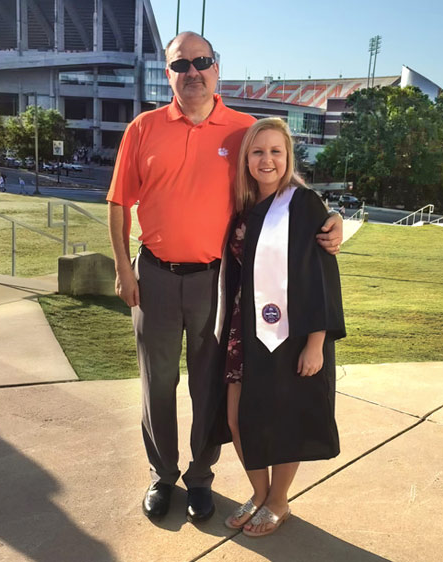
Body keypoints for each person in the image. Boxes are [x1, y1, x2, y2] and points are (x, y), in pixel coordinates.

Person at [106, 31, 344, 524]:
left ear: (217, 67)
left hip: (216, 281)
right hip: (152, 273)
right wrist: (122, 266)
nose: (192, 72)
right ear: (167, 72)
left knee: (209, 386)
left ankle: (200, 478)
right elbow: (117, 202)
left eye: (202, 62)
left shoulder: (241, 129)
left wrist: (330, 214)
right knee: (158, 383)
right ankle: (163, 474)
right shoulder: (143, 128)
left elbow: (278, 173)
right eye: (180, 65)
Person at [221, 118, 346, 537]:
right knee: (240, 418)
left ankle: (279, 500)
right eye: (258, 151)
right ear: (247, 159)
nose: (267, 159)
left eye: (276, 151)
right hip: (245, 330)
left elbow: (323, 276)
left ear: (288, 156)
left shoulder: (304, 204)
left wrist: (316, 344)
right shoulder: (243, 205)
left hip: (291, 335)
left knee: (284, 418)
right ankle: (259, 492)